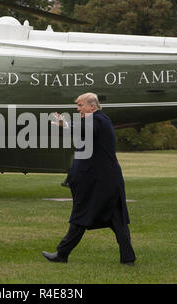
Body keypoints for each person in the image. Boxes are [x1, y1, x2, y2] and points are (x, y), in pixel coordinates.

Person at [42, 92, 136, 265]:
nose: (78, 110)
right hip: (106, 181)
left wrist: (65, 123)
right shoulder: (100, 120)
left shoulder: (98, 121)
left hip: (99, 183)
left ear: (92, 106)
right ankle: (128, 258)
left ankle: (62, 254)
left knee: (82, 216)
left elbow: (85, 129)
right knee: (117, 220)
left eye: (81, 106)